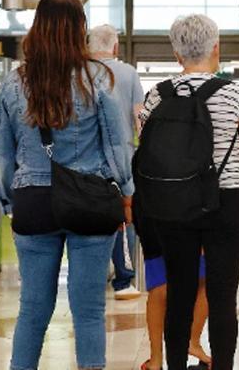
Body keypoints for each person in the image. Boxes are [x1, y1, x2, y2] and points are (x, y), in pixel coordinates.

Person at [0, 0, 135, 370]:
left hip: (33, 202)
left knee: (33, 309)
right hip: (89, 200)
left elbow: (3, 154)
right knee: (88, 310)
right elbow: (116, 144)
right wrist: (126, 191)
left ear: (37, 28)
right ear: (80, 31)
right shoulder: (97, 79)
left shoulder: (14, 83)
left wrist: (9, 201)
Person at [137, 14, 239, 370]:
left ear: (176, 54)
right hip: (225, 204)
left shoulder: (156, 95)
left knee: (179, 293)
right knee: (223, 298)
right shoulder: (236, 95)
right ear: (216, 48)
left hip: (172, 205)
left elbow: (148, 154)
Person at [87, 24, 145, 301]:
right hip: (122, 157)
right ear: (115, 47)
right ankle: (124, 279)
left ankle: (95, 275)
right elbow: (139, 118)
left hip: (83, 158)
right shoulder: (128, 73)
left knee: (89, 215)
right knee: (125, 215)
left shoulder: (78, 73)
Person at [133, 189, 212, 370]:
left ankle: (156, 359)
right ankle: (192, 341)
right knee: (204, 276)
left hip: (150, 196)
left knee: (159, 280)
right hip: (192, 198)